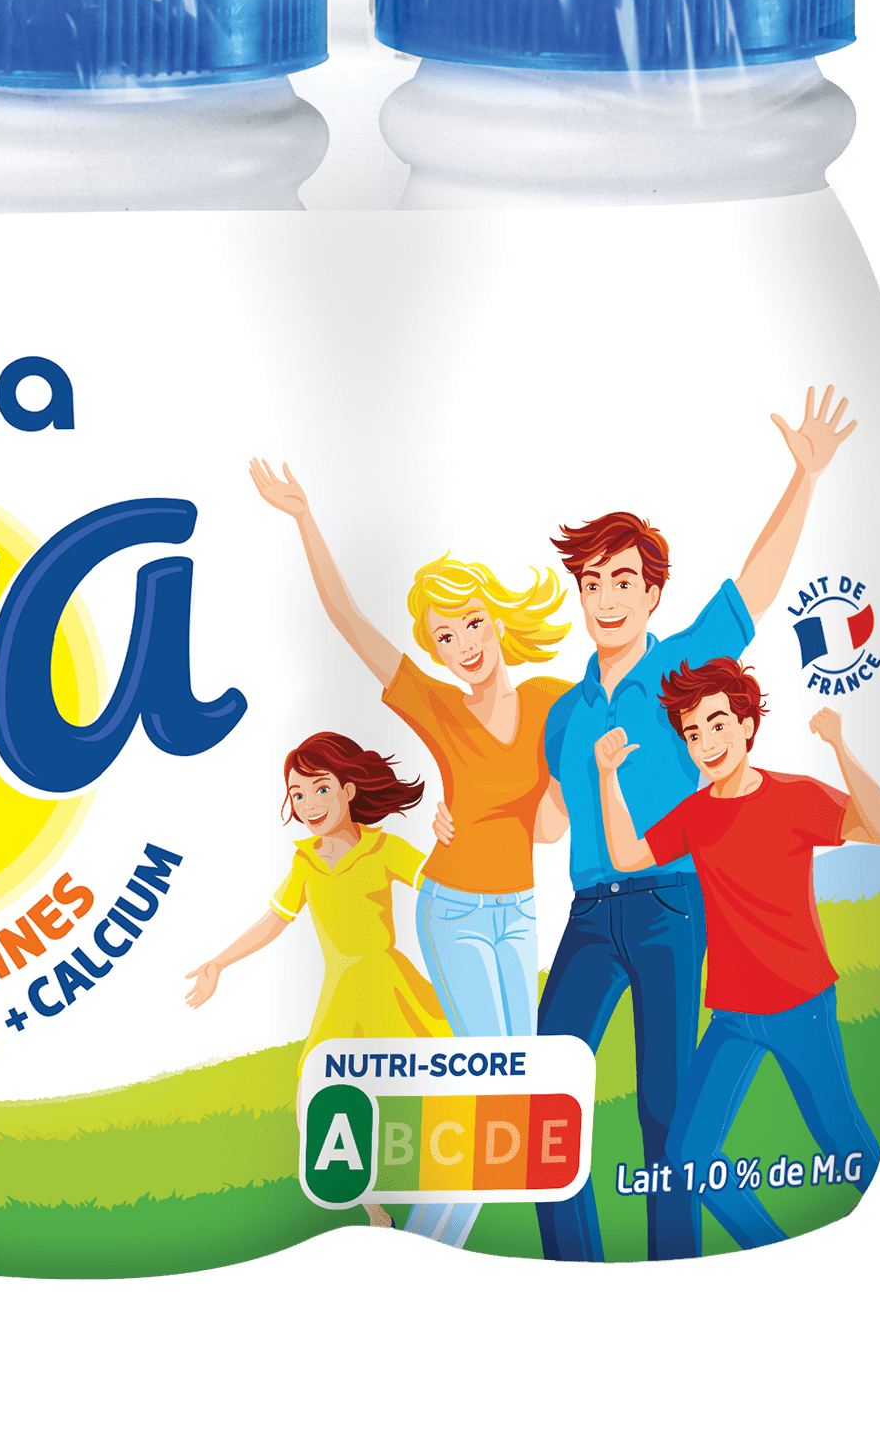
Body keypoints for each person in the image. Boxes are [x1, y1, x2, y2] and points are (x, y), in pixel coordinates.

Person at [537, 386, 856, 1263]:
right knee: (548, 1089)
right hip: (588, 913)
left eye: (623, 582)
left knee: (666, 1107)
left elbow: (756, 585)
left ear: (652, 593)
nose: (607, 598)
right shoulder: (565, 712)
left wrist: (806, 477)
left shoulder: (682, 665)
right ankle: (570, 1264)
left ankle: (673, 1267)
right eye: (592, 584)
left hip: (671, 903)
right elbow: (549, 821)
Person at [248, 462, 571, 1246]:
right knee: (495, 1088)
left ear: (497, 621)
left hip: (519, 913)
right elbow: (348, 620)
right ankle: (429, 1240)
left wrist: (569, 783)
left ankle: (423, 1236)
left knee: (517, 1093)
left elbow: (550, 831)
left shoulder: (550, 702)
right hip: (453, 912)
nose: (462, 646)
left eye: (470, 625)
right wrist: (303, 517)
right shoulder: (437, 706)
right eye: (443, 637)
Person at [595, 663, 880, 1248]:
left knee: (842, 1142)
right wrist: (607, 777)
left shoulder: (795, 797)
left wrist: (838, 744)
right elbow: (628, 856)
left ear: (748, 724)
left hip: (801, 1003)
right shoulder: (696, 814)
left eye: (717, 723)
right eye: (693, 733)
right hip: (733, 1014)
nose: (706, 742)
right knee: (688, 1155)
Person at [185, 731, 446, 1230]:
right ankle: (374, 1209)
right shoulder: (304, 861)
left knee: (417, 1080)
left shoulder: (383, 848)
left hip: (388, 982)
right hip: (341, 992)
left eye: (320, 788)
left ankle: (436, 1184)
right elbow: (274, 921)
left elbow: (442, 882)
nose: (308, 804)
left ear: (349, 790)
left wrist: (454, 837)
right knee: (317, 1089)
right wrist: (218, 962)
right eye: (298, 794)